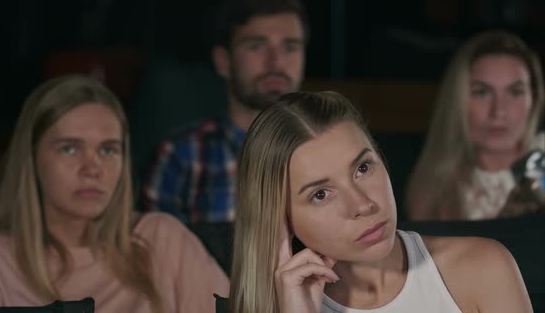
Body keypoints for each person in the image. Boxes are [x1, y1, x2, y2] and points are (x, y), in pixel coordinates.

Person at [226, 91, 532, 312]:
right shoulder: (276, 306)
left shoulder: (483, 268)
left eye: (363, 168)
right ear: (281, 218)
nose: (363, 205)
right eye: (320, 194)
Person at [0, 75, 229, 312]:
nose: (92, 169)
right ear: (32, 158)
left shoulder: (161, 240)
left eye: (108, 150)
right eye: (70, 148)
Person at [140, 0, 308, 223]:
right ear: (223, 61)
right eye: (257, 46)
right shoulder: (182, 157)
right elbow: (156, 255)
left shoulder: (329, 150)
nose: (276, 62)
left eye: (290, 47)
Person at [406, 30, 545, 221]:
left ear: (534, 99)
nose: (499, 111)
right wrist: (506, 227)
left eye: (515, 92)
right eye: (482, 93)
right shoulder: (436, 189)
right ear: (458, 100)